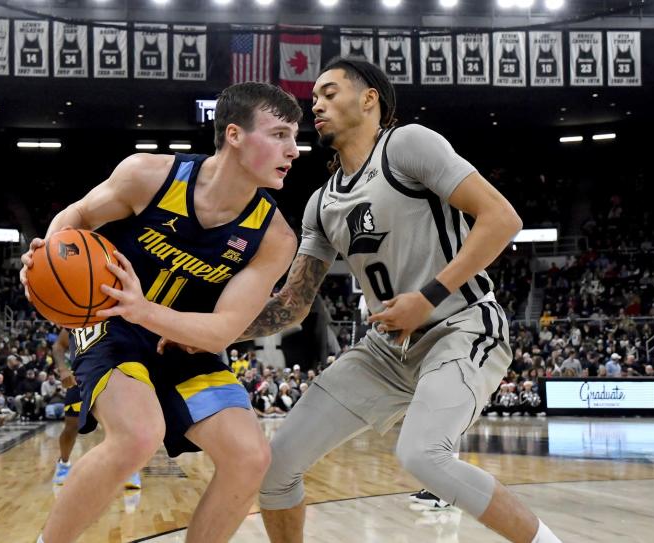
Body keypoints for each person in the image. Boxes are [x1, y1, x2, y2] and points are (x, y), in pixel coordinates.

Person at [234, 58, 560, 542]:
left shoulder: (407, 145)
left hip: (461, 324)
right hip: (386, 350)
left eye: (328, 93)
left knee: (422, 455)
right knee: (275, 467)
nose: (315, 105)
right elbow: (292, 305)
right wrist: (206, 327)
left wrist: (428, 298)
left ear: (370, 100)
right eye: (314, 98)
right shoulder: (321, 203)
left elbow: (501, 218)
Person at [21, 82, 301, 543]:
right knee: (137, 435)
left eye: (294, 136)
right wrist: (41, 262)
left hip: (187, 342)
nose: (292, 149)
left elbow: (223, 330)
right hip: (114, 329)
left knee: (250, 457)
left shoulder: (274, 237)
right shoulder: (148, 175)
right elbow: (75, 219)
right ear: (233, 134)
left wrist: (146, 309)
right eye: (279, 134)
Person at [49, 328, 141, 490]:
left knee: (123, 426)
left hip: (112, 376)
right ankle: (63, 464)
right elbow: (58, 346)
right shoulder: (76, 316)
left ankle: (130, 469)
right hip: (80, 378)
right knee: (71, 427)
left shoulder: (118, 316)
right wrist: (63, 369)